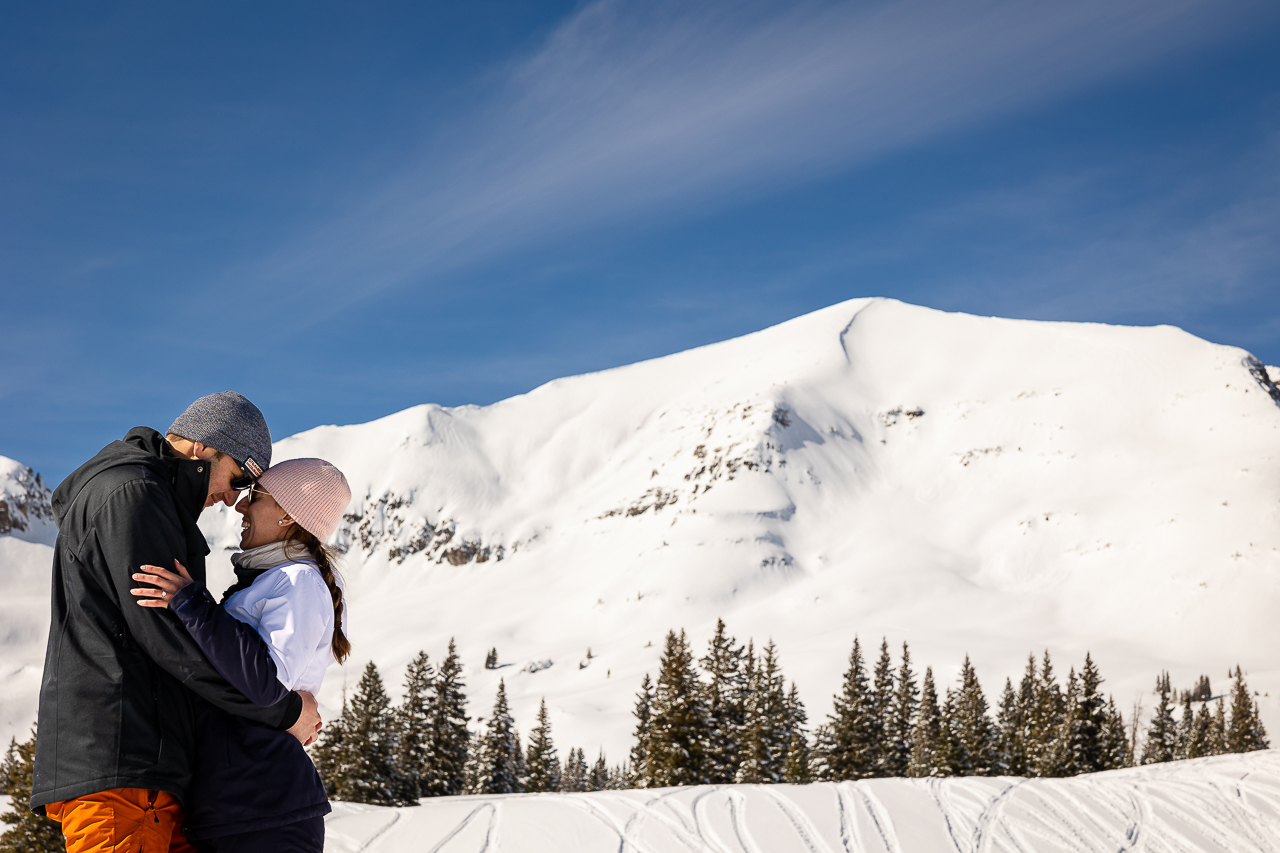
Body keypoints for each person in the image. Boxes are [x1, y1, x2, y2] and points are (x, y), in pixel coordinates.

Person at [31, 392, 322, 853]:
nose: (232, 499)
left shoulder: (144, 493)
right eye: (239, 477)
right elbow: (170, 639)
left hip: (145, 768)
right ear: (207, 448)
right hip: (123, 762)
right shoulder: (135, 495)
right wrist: (283, 711)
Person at [130, 457, 353, 853]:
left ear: (287, 514)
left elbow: (268, 683)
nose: (241, 506)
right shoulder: (270, 581)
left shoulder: (299, 582)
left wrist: (193, 605)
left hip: (267, 810)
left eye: (255, 496)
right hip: (237, 807)